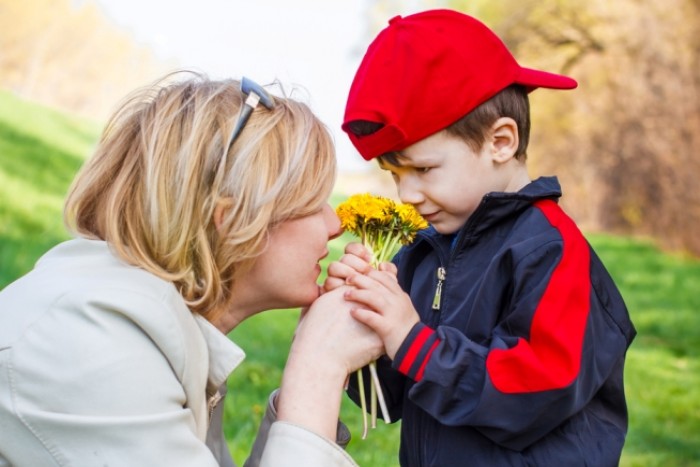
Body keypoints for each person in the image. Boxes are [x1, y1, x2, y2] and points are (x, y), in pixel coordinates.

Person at [0, 71, 380, 466]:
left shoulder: (157, 328)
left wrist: (301, 386)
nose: (336, 225)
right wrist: (317, 371)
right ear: (233, 222)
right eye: (314, 202)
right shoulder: (89, 343)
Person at [326, 9, 637, 466]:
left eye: (423, 169)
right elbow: (391, 399)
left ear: (501, 142)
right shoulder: (423, 250)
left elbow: (538, 393)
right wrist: (362, 323)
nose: (407, 194)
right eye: (394, 174)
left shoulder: (549, 249)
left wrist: (410, 339)